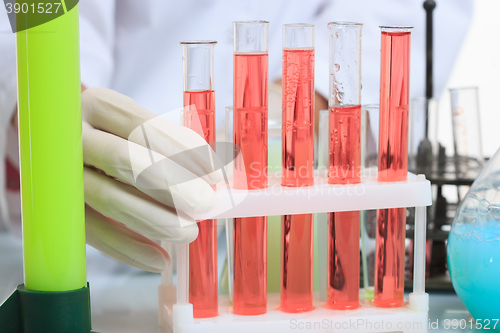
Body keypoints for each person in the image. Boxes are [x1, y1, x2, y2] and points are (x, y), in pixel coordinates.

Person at [0, 0, 473, 273]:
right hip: (85, 234)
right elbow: (34, 15)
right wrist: (34, 98)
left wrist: (308, 100)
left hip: (307, 241)